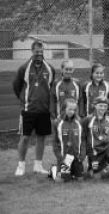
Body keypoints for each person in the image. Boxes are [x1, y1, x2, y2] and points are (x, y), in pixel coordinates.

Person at [13, 41, 55, 176]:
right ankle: (21, 165)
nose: (39, 54)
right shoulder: (24, 68)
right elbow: (16, 86)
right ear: (32, 51)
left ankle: (38, 165)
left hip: (44, 110)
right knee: (25, 138)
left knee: (41, 137)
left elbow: (51, 87)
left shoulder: (50, 69)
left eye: (41, 51)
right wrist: (24, 100)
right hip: (28, 110)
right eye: (37, 52)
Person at [82, 97, 109, 181]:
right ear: (95, 106)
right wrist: (88, 155)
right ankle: (94, 168)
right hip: (95, 151)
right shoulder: (88, 119)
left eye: (105, 106)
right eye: (100, 106)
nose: (103, 108)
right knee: (96, 177)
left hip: (107, 147)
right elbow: (83, 138)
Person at [51, 98, 86, 181]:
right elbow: (55, 142)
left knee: (80, 179)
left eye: (74, 110)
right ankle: (54, 170)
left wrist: (82, 155)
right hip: (65, 158)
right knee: (63, 180)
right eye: (70, 109)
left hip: (77, 157)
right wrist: (60, 157)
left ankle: (73, 171)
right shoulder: (57, 122)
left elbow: (83, 140)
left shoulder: (79, 122)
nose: (72, 112)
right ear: (64, 109)